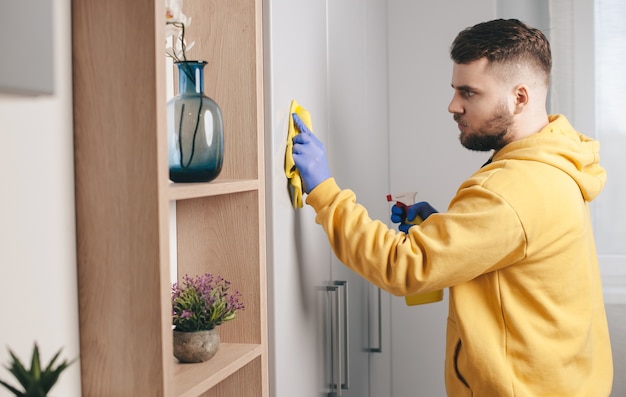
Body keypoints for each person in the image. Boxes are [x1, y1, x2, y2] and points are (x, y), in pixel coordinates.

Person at [291, 18, 613, 396]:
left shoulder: (510, 191)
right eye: (455, 90)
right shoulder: (557, 163)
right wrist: (447, 228)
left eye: (469, 92)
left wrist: (325, 194)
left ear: (519, 97)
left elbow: (403, 267)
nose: (453, 105)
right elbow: (510, 254)